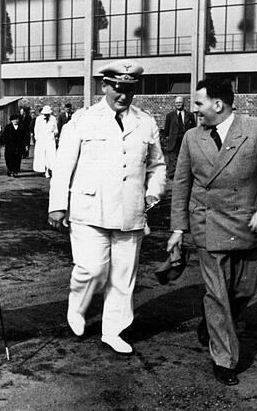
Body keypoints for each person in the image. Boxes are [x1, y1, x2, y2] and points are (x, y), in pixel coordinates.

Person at [167, 77, 257, 386]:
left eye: (199, 103)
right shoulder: (193, 137)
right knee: (218, 295)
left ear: (217, 105)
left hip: (248, 222)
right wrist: (178, 228)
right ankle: (225, 358)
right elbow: (181, 185)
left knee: (244, 289)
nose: (196, 110)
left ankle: (216, 323)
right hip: (208, 224)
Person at [47, 60, 166, 355]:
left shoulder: (145, 122)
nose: (122, 95)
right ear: (104, 86)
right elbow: (63, 165)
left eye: (128, 89)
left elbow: (157, 165)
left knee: (123, 276)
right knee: (92, 269)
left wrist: (153, 192)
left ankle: (114, 331)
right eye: (117, 88)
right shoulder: (83, 119)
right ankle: (78, 306)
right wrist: (57, 205)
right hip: (89, 209)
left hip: (130, 210)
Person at [161, 96, 196, 180]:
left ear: (183, 103)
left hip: (185, 139)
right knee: (173, 158)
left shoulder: (190, 115)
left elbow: (193, 128)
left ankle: (185, 175)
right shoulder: (170, 115)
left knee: (186, 157)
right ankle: (172, 176)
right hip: (174, 140)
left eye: (180, 102)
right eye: (177, 103)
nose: (178, 104)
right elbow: (167, 129)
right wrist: (166, 139)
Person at [33, 105, 58, 177]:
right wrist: (37, 138)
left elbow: (56, 129)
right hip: (41, 140)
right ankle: (43, 169)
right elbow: (36, 130)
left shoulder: (53, 119)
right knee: (41, 155)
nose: (46, 115)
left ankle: (48, 170)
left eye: (48, 114)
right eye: (45, 114)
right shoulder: (38, 119)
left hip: (50, 139)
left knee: (50, 155)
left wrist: (53, 135)